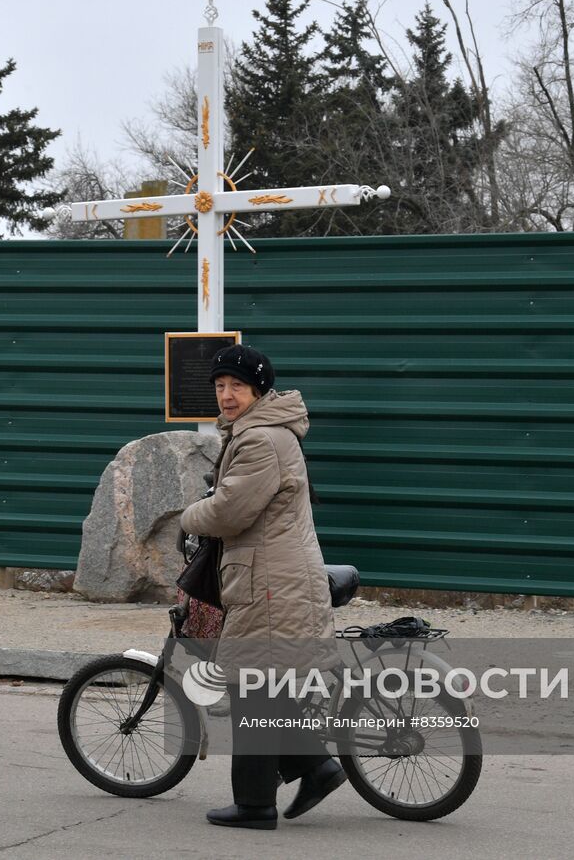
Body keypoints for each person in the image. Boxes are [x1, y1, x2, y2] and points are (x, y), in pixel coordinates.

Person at [180, 344, 346, 830]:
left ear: (259, 390)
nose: (227, 396)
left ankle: (255, 805)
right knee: (265, 688)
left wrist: (188, 516)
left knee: (251, 688)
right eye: (220, 387)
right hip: (271, 574)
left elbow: (231, 511)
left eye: (237, 387)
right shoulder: (260, 431)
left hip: (270, 581)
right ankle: (315, 768)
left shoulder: (260, 440)